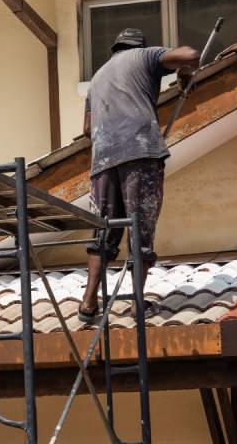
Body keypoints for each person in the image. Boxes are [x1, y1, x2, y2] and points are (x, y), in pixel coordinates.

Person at [77, 28, 199, 325]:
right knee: (139, 230)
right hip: (140, 154)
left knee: (102, 233)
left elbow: (86, 129)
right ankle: (135, 305)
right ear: (139, 45)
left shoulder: (97, 78)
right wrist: (183, 75)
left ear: (116, 47)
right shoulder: (146, 56)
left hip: (103, 161)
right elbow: (190, 55)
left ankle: (89, 301)